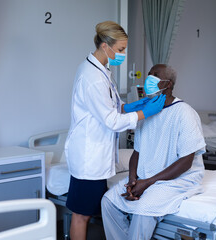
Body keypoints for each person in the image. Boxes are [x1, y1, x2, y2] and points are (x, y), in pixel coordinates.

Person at [64, 21, 166, 240]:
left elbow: (110, 107)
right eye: (120, 49)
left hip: (96, 156)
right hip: (88, 158)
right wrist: (145, 113)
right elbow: (111, 120)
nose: (123, 54)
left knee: (86, 213)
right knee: (81, 216)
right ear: (104, 46)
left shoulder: (102, 71)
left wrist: (131, 107)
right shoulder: (91, 77)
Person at [101, 64, 206, 240]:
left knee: (144, 208)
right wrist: (133, 179)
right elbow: (137, 152)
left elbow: (186, 162)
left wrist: (148, 182)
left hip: (177, 180)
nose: (149, 79)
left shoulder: (184, 113)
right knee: (108, 202)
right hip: (146, 176)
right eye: (148, 74)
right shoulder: (147, 113)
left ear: (169, 84)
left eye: (155, 75)